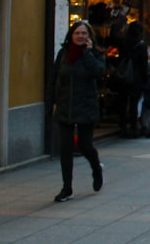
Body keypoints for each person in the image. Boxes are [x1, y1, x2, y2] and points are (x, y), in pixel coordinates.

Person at [48, 21, 105, 202]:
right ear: (71, 35)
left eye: (84, 33)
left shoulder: (95, 54)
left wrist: (87, 53)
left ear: (89, 36)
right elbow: (54, 79)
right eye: (77, 33)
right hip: (65, 106)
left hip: (86, 106)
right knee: (65, 148)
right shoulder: (64, 54)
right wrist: (53, 101)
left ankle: (96, 168)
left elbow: (98, 73)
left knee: (84, 145)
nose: (80, 36)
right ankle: (67, 188)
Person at [117, 21, 149, 138]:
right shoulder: (141, 45)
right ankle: (133, 127)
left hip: (123, 76)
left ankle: (122, 127)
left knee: (122, 102)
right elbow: (143, 64)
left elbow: (120, 58)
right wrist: (145, 78)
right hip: (136, 77)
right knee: (134, 104)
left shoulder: (123, 42)